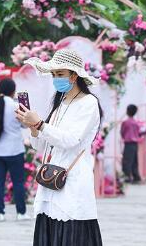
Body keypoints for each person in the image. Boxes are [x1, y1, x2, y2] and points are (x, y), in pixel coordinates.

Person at [15, 49, 103, 246]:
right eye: (53, 75)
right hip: (50, 183)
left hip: (72, 184)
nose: (56, 79)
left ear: (74, 75)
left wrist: (40, 124)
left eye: (60, 74)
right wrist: (33, 127)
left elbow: (71, 139)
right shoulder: (60, 102)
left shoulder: (89, 103)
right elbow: (41, 146)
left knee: (71, 236)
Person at [0, 78, 30, 222]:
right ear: (13, 91)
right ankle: (21, 213)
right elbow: (25, 125)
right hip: (14, 150)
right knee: (18, 182)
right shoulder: (17, 106)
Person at [120, 104, 142, 183]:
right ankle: (136, 177)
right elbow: (139, 133)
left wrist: (125, 137)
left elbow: (122, 133)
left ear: (127, 111)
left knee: (127, 160)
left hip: (128, 144)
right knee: (134, 160)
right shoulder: (136, 123)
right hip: (135, 144)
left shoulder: (125, 122)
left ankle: (127, 177)